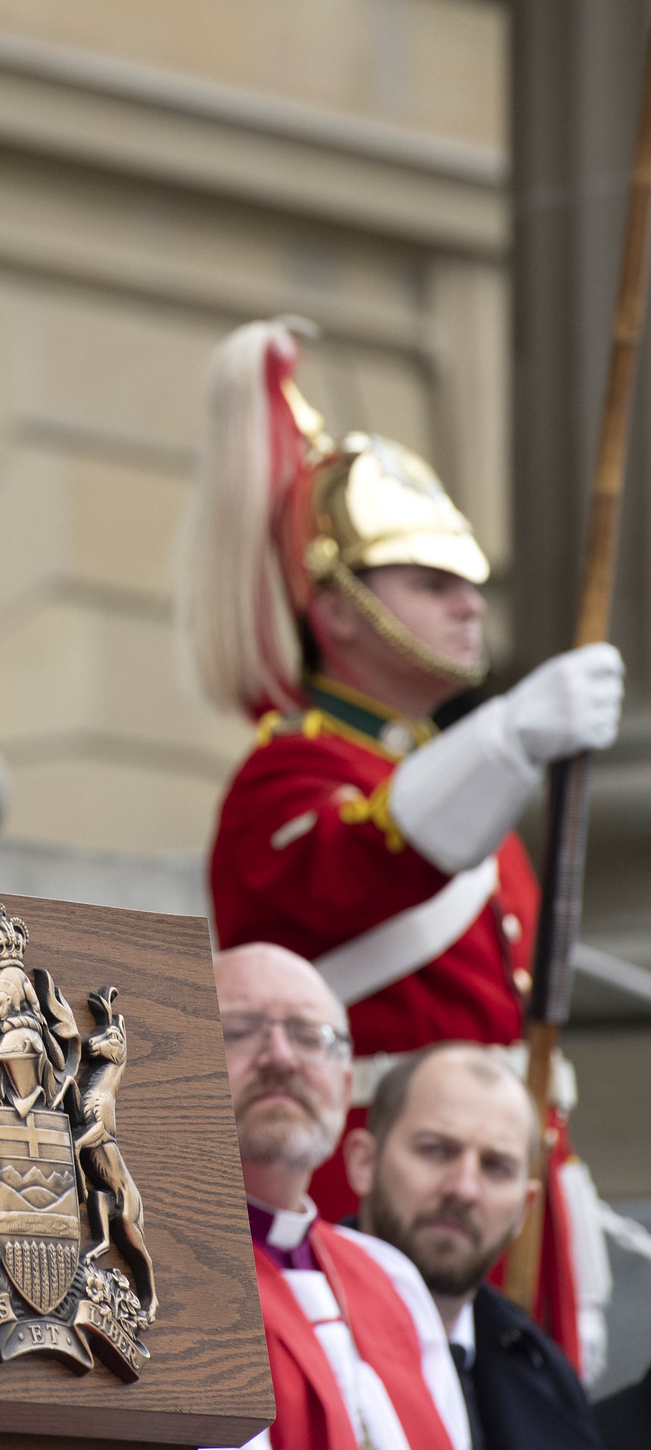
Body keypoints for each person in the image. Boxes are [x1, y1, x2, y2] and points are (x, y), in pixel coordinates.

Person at [178, 317, 623, 1375]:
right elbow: (374, 860)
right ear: (333, 609)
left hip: (496, 1199)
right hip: (371, 1201)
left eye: (466, 577)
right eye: (426, 579)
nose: (467, 603)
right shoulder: (283, 780)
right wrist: (507, 733)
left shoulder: (441, 775)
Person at [214, 944, 467, 1450]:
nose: (281, 1056)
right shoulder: (150, 1274)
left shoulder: (392, 1279)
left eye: (310, 1036)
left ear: (346, 1086)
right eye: (239, 1031)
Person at [344, 1042, 605, 1450]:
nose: (464, 1189)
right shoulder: (279, 1337)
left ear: (525, 1208)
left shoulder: (546, 1376)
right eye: (435, 1150)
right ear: (364, 1163)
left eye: (496, 1166)